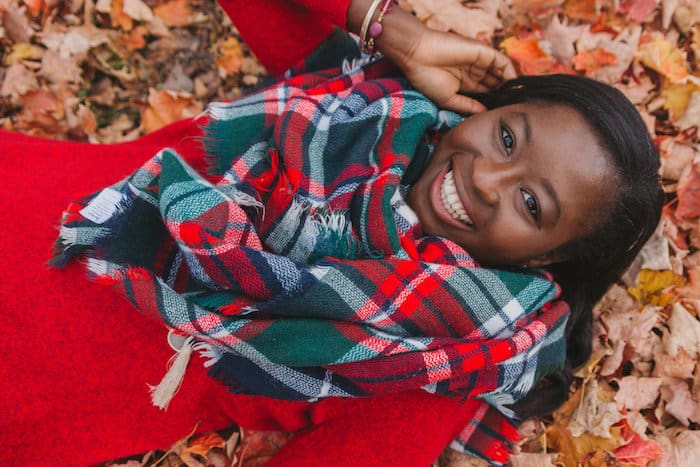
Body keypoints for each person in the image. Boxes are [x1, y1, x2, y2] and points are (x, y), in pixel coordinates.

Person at [0, 1, 663, 466]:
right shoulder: (360, 98)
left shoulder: (435, 367)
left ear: (546, 255)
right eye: (507, 136)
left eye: (531, 201)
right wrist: (394, 30)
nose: (488, 178)